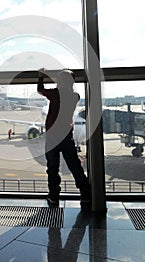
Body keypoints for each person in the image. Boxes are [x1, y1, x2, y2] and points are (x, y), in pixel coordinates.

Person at [37, 68, 91, 209]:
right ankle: (86, 194)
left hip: (52, 138)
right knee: (75, 167)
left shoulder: (54, 94)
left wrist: (41, 76)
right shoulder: (75, 96)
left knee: (53, 168)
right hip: (67, 137)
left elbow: (40, 90)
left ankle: (54, 196)